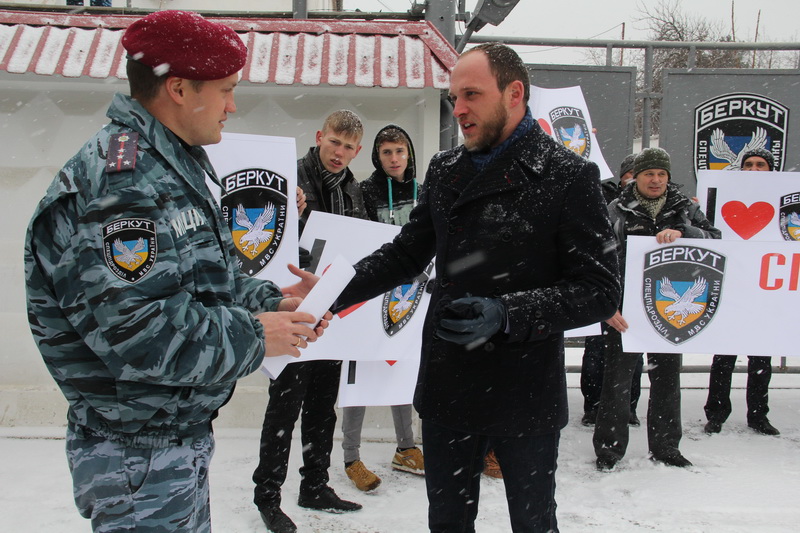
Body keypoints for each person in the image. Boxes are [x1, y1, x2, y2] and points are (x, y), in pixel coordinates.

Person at [23, 10, 328, 532]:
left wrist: (273, 304)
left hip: (165, 445)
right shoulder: (122, 184)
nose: (234, 106)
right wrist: (257, 336)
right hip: (137, 456)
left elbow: (207, 280)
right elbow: (141, 335)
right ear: (181, 89)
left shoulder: (171, 163)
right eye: (227, 90)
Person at [319, 43, 620, 532]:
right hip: (451, 381)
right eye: (455, 95)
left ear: (515, 93)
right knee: (449, 522)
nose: (458, 108)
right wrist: (334, 290)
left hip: (525, 389)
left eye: (472, 95)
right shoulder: (446, 169)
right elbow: (406, 253)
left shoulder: (568, 176)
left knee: (534, 521)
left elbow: (600, 290)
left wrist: (507, 313)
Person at [252, 110, 367, 533]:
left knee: (322, 405)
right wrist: (289, 204)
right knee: (285, 406)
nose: (339, 153)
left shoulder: (354, 189)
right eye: (334, 142)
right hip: (294, 307)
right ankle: (267, 496)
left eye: (349, 147)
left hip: (332, 311)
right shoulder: (289, 176)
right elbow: (267, 230)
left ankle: (315, 485)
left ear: (357, 151)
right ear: (320, 136)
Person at [593, 147, 721, 471]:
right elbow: (597, 258)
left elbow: (716, 238)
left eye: (661, 174)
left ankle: (666, 447)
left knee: (667, 381)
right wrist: (607, 306)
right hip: (624, 313)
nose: (656, 180)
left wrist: (684, 233)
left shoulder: (685, 208)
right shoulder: (615, 210)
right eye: (649, 173)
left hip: (670, 311)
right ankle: (609, 451)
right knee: (617, 384)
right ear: (636, 176)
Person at [342, 125, 424, 493]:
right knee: (360, 374)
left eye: (400, 151)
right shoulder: (364, 190)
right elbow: (358, 237)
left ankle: (406, 448)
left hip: (411, 294)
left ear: (409, 154)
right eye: (387, 152)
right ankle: (350, 456)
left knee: (401, 369)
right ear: (377, 155)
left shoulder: (424, 192)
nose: (394, 158)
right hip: (372, 291)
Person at [704, 147, 780, 436]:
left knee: (761, 357)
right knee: (724, 356)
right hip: (731, 286)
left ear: (771, 170)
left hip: (765, 289)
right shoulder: (722, 196)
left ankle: (759, 415)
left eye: (761, 165)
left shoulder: (785, 199)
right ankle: (716, 413)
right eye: (748, 164)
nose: (754, 169)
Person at [580, 154, 644, 427]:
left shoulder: (669, 207)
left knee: (633, 351)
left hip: (639, 290)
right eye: (630, 174)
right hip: (607, 286)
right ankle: (593, 406)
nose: (635, 179)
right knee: (596, 350)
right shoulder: (605, 202)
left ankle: (628, 406)